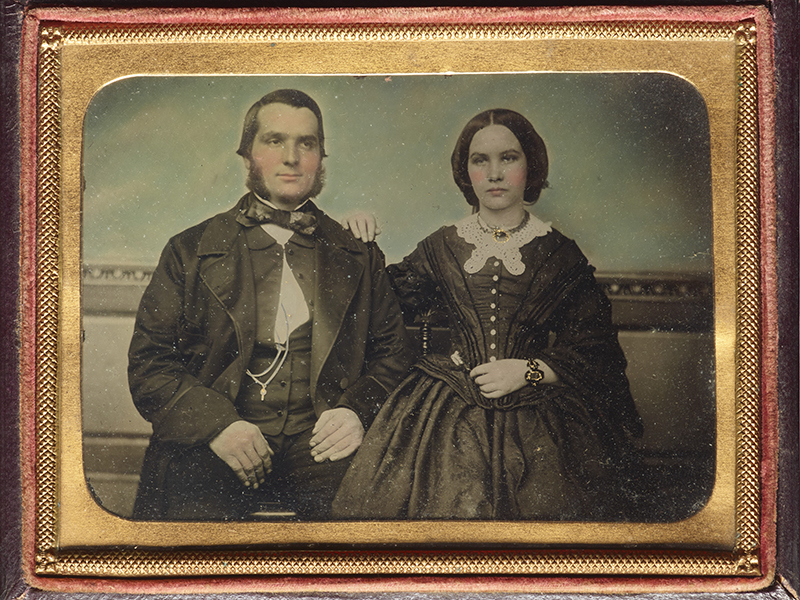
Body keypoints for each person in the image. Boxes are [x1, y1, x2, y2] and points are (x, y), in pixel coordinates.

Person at [332, 108, 643, 521]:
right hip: (444, 413)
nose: (494, 173)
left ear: (530, 165)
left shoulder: (558, 254)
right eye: (481, 160)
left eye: (508, 158)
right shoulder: (442, 246)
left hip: (541, 418)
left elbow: (597, 351)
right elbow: (379, 307)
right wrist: (358, 240)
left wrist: (529, 370)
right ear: (467, 172)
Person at [128, 89, 411, 521]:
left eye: (307, 143)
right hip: (220, 438)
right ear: (247, 156)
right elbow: (150, 364)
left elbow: (394, 355)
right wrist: (217, 426)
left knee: (360, 538)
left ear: (320, 159)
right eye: (275, 141)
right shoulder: (189, 249)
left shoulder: (357, 252)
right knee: (194, 546)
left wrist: (357, 411)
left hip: (322, 440)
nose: (292, 157)